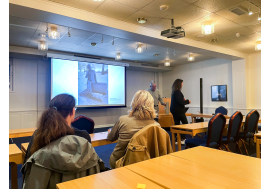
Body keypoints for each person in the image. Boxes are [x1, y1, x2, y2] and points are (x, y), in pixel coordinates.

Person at [21, 94, 93, 176]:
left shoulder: (39, 134)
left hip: (44, 182)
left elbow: (27, 166)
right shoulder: (83, 137)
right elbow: (89, 165)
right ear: (72, 111)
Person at [107, 90, 160, 169]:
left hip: (120, 163)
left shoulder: (123, 120)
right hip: (145, 164)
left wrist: (110, 132)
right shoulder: (156, 126)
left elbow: (110, 138)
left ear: (134, 103)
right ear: (151, 105)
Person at [170, 79, 191, 145]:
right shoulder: (178, 92)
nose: (182, 84)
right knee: (185, 124)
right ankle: (182, 139)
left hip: (174, 111)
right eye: (182, 83)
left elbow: (178, 101)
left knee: (177, 125)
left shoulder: (174, 91)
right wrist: (187, 101)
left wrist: (182, 99)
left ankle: (177, 140)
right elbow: (180, 102)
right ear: (179, 84)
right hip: (179, 111)